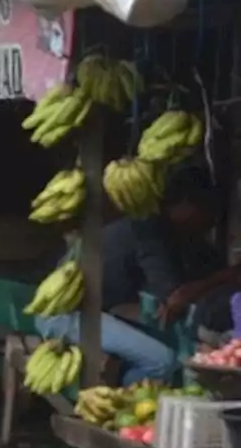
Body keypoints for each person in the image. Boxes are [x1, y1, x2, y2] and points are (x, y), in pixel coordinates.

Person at [34, 165, 216, 385]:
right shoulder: (149, 231)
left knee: (169, 351)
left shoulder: (162, 231)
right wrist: (228, 276)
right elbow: (175, 297)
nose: (210, 220)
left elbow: (146, 305)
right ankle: (119, 404)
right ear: (186, 203)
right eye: (206, 209)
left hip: (96, 313)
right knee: (163, 362)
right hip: (65, 316)